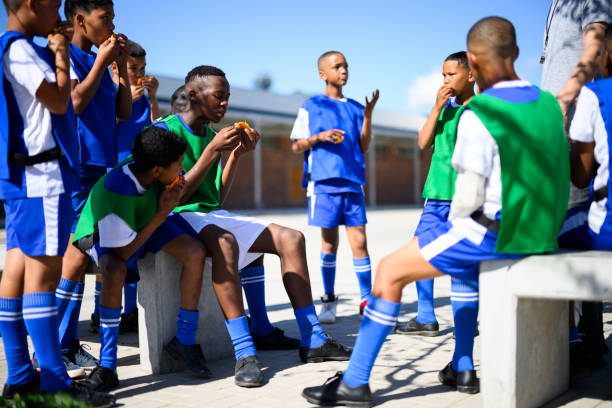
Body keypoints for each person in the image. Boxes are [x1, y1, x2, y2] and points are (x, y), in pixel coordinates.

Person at [302, 16, 570, 407]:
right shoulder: (549, 103)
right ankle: (462, 365)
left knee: (390, 270)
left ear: (473, 64)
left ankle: (354, 384)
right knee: (457, 271)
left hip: (497, 233)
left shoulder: (482, 112)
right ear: (515, 54)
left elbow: (468, 198)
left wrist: (445, 237)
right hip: (543, 233)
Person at [156, 66, 352, 364]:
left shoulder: (211, 134)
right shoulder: (165, 131)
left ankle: (314, 339)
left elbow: (216, 197)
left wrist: (235, 155)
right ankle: (245, 352)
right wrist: (211, 151)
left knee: (291, 238)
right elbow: (174, 197)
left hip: (207, 216)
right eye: (218, 97)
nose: (224, 104)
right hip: (174, 217)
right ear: (193, 95)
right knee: (226, 242)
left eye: (227, 98)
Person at [73, 126, 264, 391]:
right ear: (157, 171)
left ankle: (184, 341)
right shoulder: (119, 189)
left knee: (195, 251)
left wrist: (164, 209)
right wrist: (163, 213)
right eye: (178, 165)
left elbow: (160, 211)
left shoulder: (155, 170)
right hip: (106, 232)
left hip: (148, 218)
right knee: (115, 271)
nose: (182, 171)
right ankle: (107, 366)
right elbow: (125, 251)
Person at [0, 0, 114, 405]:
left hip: (23, 178)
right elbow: (61, 102)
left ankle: (19, 375)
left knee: (16, 269)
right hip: (42, 177)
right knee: (42, 279)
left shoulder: (9, 47)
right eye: (51, 4)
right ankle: (54, 384)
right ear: (30, 4)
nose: (58, 14)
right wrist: (63, 58)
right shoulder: (20, 49)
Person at [55, 0, 132, 374]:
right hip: (79, 168)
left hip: (104, 169)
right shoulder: (66, 54)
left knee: (84, 255)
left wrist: (121, 70)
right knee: (74, 254)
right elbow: (73, 103)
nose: (112, 24)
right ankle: (58, 346)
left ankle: (65, 344)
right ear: (81, 20)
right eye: (106, 18)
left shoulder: (102, 62)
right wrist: (101, 62)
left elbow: (124, 112)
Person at [290, 51, 379, 323]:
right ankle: (328, 299)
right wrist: (319, 137)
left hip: (353, 182)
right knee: (329, 243)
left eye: (345, 66)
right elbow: (296, 145)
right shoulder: (311, 105)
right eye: (337, 66)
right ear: (322, 74)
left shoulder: (355, 107)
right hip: (323, 183)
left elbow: (363, 147)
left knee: (360, 242)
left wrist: (368, 115)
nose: (343, 70)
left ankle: (367, 301)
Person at [395, 51, 476, 337]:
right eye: (443, 75)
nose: (445, 80)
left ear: (471, 74)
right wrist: (435, 107)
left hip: (467, 198)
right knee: (421, 252)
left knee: (462, 260)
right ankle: (426, 317)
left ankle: (466, 323)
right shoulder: (443, 108)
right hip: (437, 197)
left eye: (451, 74)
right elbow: (422, 142)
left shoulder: (482, 108)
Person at [88, 40, 161, 335]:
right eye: (134, 68)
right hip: (116, 175)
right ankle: (98, 311)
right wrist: (124, 102)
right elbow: (104, 126)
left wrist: (153, 98)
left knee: (134, 245)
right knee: (109, 246)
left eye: (143, 68)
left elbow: (157, 129)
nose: (140, 74)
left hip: (141, 175)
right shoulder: (114, 92)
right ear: (118, 67)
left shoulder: (144, 96)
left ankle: (130, 311)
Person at [557, 24, 612, 375]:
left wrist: (564, 143)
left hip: (606, 228)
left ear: (605, 55)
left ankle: (573, 342)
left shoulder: (594, 95)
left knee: (546, 233)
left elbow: (580, 175)